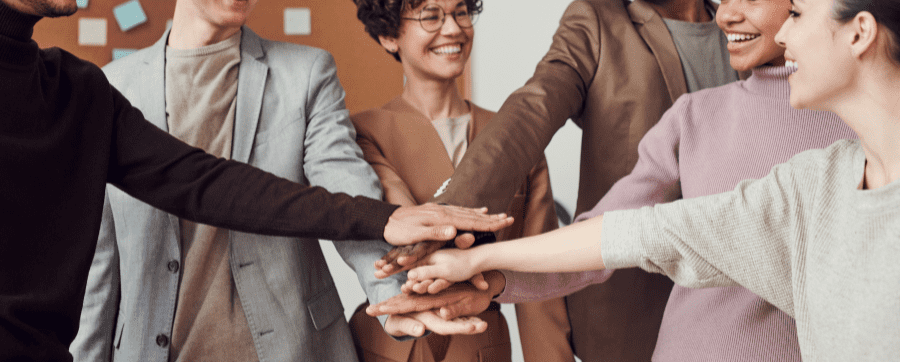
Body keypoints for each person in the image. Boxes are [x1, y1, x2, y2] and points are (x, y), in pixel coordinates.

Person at [374, 0, 900, 358]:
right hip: (649, 322)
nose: (733, 14)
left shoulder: (832, 148)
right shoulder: (790, 170)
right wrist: (471, 255)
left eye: (798, 11)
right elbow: (633, 224)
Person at [0, 0, 515, 359]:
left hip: (290, 349)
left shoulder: (305, 74)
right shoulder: (110, 85)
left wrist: (392, 283)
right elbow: (100, 267)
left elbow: (220, 184)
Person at [375, 0, 740, 358]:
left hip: (747, 300)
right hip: (633, 305)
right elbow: (534, 109)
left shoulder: (749, 24)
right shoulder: (597, 20)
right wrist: (448, 213)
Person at [347, 0, 564, 361]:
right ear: (388, 35)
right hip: (387, 347)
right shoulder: (361, 133)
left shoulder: (516, 136)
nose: (453, 29)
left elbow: (542, 274)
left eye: (461, 12)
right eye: (431, 16)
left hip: (481, 344)